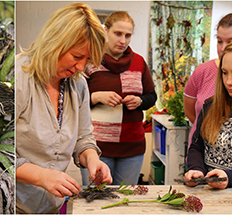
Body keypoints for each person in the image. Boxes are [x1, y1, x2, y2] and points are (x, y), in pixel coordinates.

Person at [15, 3, 112, 213]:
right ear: (55, 42)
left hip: (52, 206)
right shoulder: (17, 79)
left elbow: (83, 138)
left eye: (87, 60)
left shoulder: (78, 84)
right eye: (77, 57)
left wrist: (93, 160)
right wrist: (40, 176)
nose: (80, 67)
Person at [80, 11, 156, 186]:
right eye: (118, 34)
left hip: (132, 148)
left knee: (125, 203)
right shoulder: (89, 61)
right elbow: (75, 102)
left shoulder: (139, 62)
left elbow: (152, 97)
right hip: (96, 148)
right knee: (96, 200)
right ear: (105, 30)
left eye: (128, 35)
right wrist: (96, 97)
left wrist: (140, 101)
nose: (123, 40)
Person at [184, 37, 232, 189]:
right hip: (202, 194)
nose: (228, 81)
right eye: (224, 73)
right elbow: (197, 146)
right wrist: (196, 169)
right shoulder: (210, 105)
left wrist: (231, 178)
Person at [184, 13, 232, 150]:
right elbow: (191, 112)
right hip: (199, 155)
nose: (222, 48)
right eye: (220, 41)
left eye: (231, 42)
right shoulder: (202, 71)